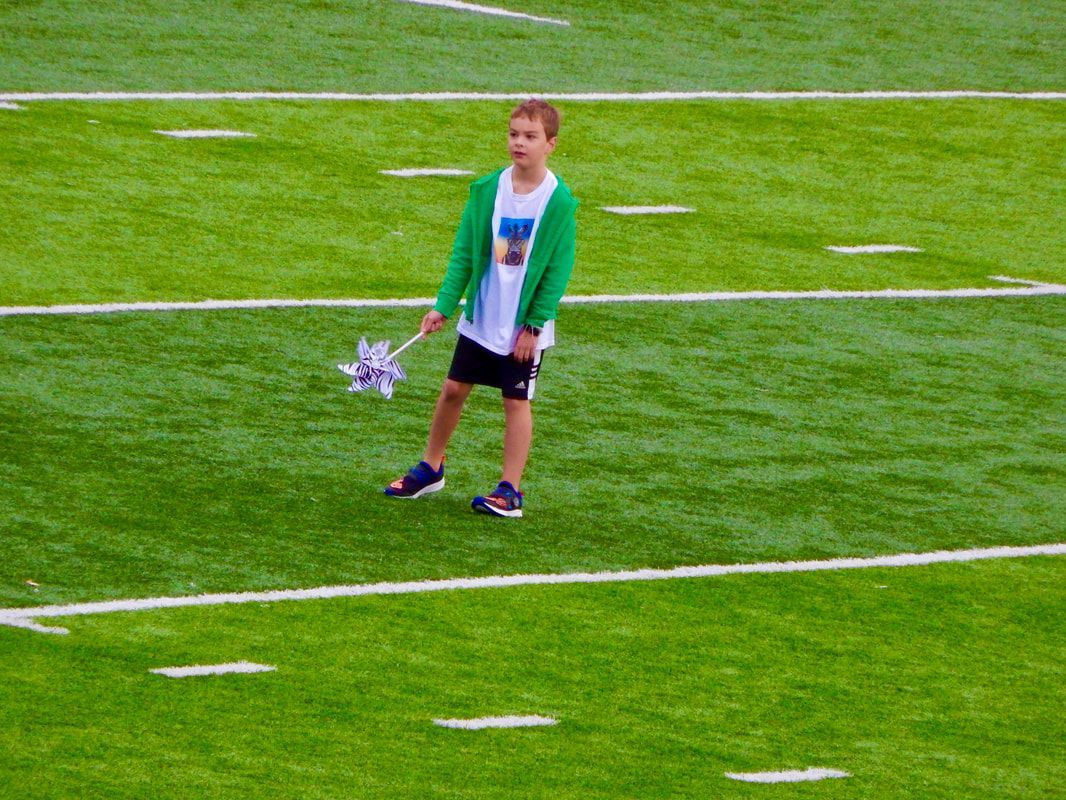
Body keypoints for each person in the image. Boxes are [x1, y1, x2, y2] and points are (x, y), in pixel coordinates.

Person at [384, 98, 579, 518]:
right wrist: (443, 305)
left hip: (522, 327)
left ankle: (510, 490)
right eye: (513, 134)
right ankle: (431, 468)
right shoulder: (487, 189)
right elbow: (465, 254)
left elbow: (558, 270)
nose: (519, 143)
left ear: (551, 145)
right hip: (482, 317)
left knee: (515, 400)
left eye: (530, 136)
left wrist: (532, 325)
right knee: (453, 389)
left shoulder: (559, 202)